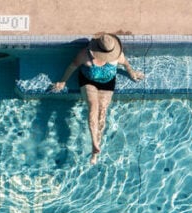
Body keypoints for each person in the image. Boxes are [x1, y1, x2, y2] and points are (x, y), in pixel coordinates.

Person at [48, 33, 145, 164]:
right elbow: (72, 66)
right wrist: (63, 81)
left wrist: (132, 72)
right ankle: (94, 140)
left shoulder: (117, 55)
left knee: (103, 111)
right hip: (88, 81)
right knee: (93, 106)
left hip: (108, 83)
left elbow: (126, 64)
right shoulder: (85, 54)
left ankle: (95, 150)